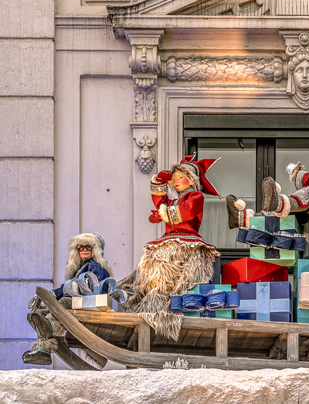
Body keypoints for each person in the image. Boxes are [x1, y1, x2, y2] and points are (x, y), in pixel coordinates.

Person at [121, 155, 220, 340]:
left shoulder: (196, 196)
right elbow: (160, 202)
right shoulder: (175, 201)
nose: (175, 182)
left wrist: (163, 213)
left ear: (191, 179)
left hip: (187, 241)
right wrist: (159, 182)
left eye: (179, 177)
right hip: (167, 241)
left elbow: (186, 212)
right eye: (173, 179)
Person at [23, 233, 114, 365]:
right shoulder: (79, 270)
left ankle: (49, 326)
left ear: (95, 250)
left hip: (88, 304)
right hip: (77, 303)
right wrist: (48, 296)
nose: (84, 249)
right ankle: (43, 350)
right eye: (81, 247)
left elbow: (98, 285)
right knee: (44, 309)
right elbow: (63, 288)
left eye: (88, 247)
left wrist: (79, 286)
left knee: (64, 302)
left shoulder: (96, 266)